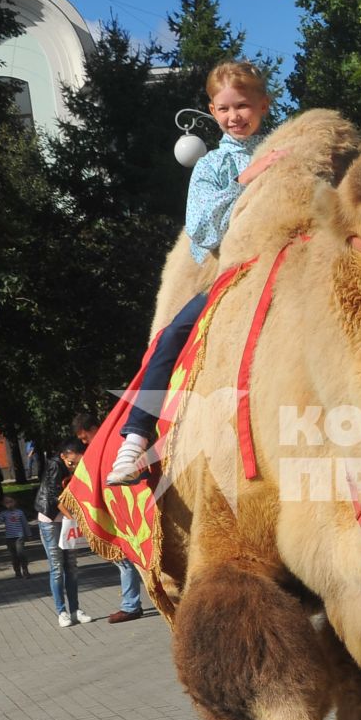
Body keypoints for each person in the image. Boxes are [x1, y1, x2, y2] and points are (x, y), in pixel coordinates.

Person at [106, 60, 272, 486]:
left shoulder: (285, 151)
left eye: (244, 105)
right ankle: (136, 438)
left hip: (293, 265)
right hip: (234, 274)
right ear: (212, 111)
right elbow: (201, 227)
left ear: (263, 105)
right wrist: (245, 180)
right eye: (224, 108)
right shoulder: (212, 166)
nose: (235, 116)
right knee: (171, 338)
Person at [74, 412, 145, 625]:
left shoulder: (113, 444)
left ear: (94, 428)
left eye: (85, 438)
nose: (86, 443)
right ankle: (132, 603)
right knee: (127, 560)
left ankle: (131, 605)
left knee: (125, 560)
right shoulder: (107, 446)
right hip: (122, 511)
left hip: (127, 512)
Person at [34, 439, 93, 628]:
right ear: (63, 456)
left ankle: (76, 610)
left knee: (72, 566)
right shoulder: (54, 465)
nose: (75, 466)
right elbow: (54, 497)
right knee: (57, 567)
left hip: (66, 521)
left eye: (78, 463)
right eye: (71, 463)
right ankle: (62, 612)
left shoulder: (77, 468)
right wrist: (72, 518)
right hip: (51, 521)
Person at [0, 495, 29, 578]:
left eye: (11, 502)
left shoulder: (20, 512)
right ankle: (17, 571)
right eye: (7, 503)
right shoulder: (4, 513)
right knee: (13, 555)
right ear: (3, 504)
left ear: (15, 502)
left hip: (19, 536)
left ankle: (25, 569)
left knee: (20, 553)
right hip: (9, 538)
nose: (9, 504)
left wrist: (28, 534)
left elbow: (25, 524)